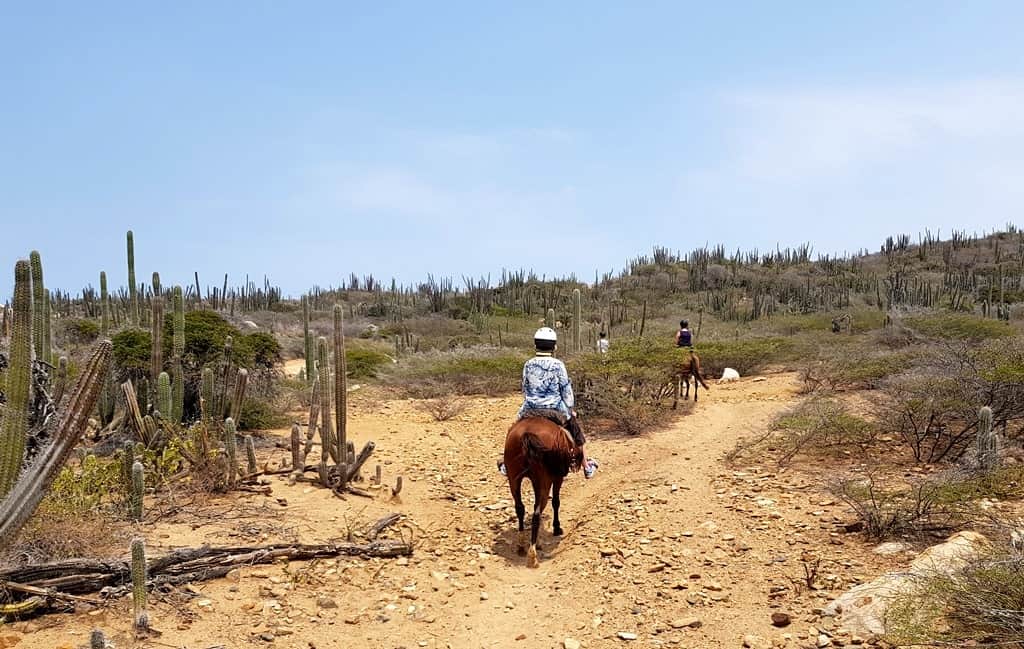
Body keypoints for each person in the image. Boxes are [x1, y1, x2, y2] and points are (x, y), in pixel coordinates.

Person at [499, 327, 598, 478]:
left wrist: (532, 400)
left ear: (535, 345)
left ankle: (508, 463)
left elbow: (524, 388)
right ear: (554, 346)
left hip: (530, 406)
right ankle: (586, 466)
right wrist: (570, 408)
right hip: (555, 407)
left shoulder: (528, 364)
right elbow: (566, 389)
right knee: (575, 431)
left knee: (514, 428)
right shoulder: (558, 365)